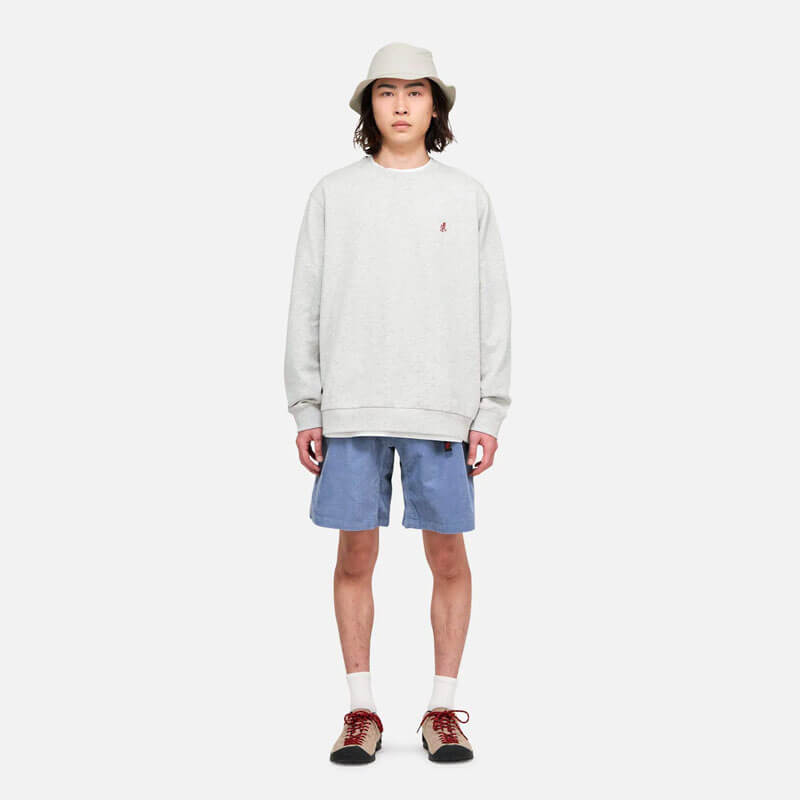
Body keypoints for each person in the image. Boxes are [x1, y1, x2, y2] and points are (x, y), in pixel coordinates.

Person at [283, 42, 512, 764]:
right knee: (355, 553)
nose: (402, 104)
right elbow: (306, 304)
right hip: (351, 406)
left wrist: (490, 409)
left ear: (435, 106)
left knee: (448, 553)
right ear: (369, 106)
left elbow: (493, 308)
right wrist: (307, 405)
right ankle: (361, 710)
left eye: (416, 91)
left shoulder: (466, 195)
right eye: (388, 91)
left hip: (440, 406)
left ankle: (442, 709)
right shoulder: (334, 193)